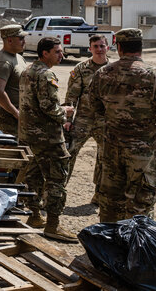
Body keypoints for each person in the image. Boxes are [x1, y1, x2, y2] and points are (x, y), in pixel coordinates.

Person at [88, 28, 156, 223]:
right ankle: (135, 248)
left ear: (118, 47)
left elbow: (94, 107)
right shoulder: (154, 75)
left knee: (111, 201)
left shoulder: (102, 73)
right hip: (143, 152)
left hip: (112, 148)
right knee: (140, 202)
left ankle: (108, 246)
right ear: (141, 48)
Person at [19, 36, 77, 242]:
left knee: (33, 175)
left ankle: (35, 216)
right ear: (45, 53)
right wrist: (66, 112)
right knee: (57, 178)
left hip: (29, 134)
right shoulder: (46, 74)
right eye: (58, 52)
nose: (61, 55)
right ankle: (53, 225)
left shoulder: (27, 70)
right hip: (48, 138)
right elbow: (48, 107)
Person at [64, 34, 110, 204]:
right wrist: (68, 119)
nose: (99, 49)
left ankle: (100, 194)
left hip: (105, 122)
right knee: (69, 154)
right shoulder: (81, 69)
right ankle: (57, 192)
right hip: (83, 120)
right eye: (95, 46)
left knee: (105, 159)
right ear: (90, 49)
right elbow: (71, 97)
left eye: (102, 46)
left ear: (108, 47)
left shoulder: (114, 69)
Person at [0, 24, 27, 137]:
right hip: (7, 118)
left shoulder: (18, 57)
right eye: (20, 39)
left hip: (17, 115)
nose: (24, 41)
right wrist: (16, 113)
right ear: (9, 40)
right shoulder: (3, 62)